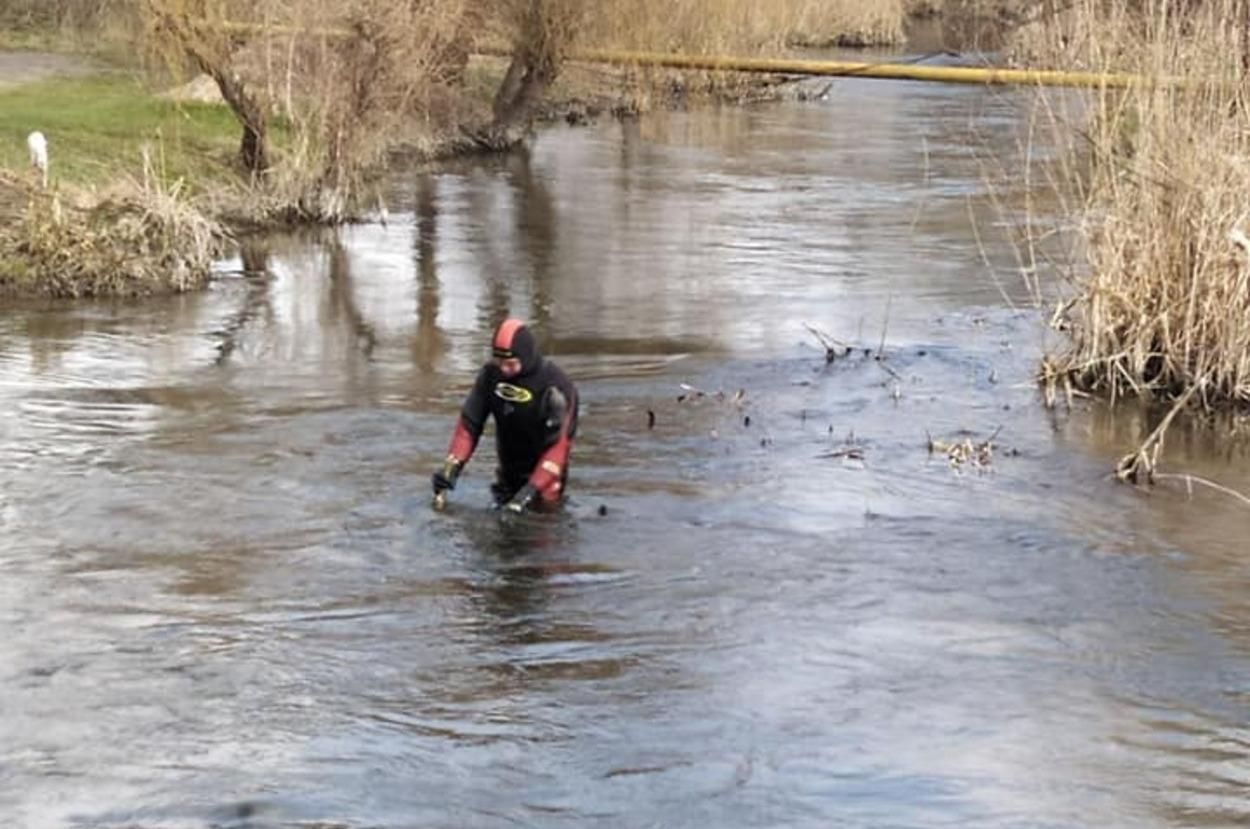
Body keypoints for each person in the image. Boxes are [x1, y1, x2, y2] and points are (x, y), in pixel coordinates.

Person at [432, 318, 579, 513]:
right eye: (499, 362)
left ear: (525, 357)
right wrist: (451, 468)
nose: (503, 369)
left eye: (510, 363)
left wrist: (527, 495)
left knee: (534, 532)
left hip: (544, 487)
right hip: (506, 480)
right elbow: (469, 426)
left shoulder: (555, 387)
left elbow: (557, 450)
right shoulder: (490, 377)